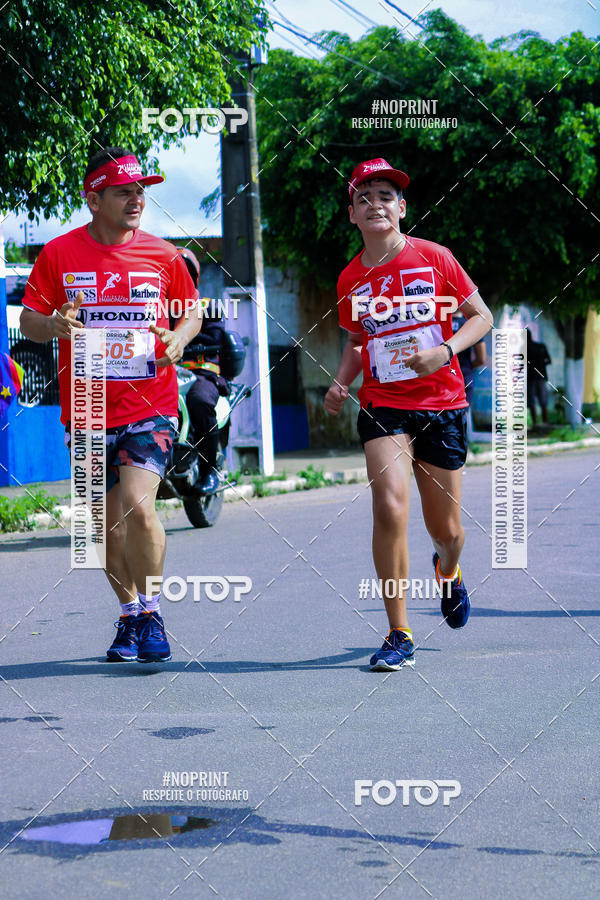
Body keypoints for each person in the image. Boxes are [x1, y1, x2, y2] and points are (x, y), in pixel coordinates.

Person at [19, 147, 202, 663]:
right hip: (87, 409)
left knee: (140, 508)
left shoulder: (164, 255)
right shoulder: (57, 254)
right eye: (125, 191)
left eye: (141, 191)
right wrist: (52, 325)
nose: (137, 199)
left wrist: (179, 340)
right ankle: (129, 614)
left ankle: (152, 611)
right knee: (100, 526)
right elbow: (30, 319)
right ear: (94, 198)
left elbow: (190, 315)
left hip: (152, 403)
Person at [324, 158, 493, 671]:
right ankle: (399, 631)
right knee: (390, 508)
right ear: (352, 214)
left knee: (448, 530)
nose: (375, 203)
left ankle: (449, 569)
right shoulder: (351, 277)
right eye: (363, 197)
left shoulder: (435, 258)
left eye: (385, 195)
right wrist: (341, 380)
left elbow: (481, 317)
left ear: (402, 208)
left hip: (441, 405)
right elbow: (359, 341)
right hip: (383, 406)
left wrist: (445, 350)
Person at [176, 248, 230, 495]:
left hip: (201, 374)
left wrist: (183, 340)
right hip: (168, 374)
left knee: (198, 401)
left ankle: (211, 469)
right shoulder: (159, 308)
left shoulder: (209, 307)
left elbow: (215, 335)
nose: (179, 275)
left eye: (184, 271)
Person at [451, 309, 487, 436]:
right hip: (464, 376)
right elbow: (481, 358)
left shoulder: (437, 324)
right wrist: (467, 367)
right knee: (462, 416)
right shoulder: (470, 325)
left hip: (441, 378)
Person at [526, 328, 552, 427]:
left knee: (532, 401)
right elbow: (549, 360)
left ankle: (535, 424)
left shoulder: (525, 348)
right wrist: (541, 364)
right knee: (543, 401)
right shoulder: (541, 346)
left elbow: (522, 363)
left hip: (532, 378)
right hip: (542, 377)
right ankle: (545, 422)